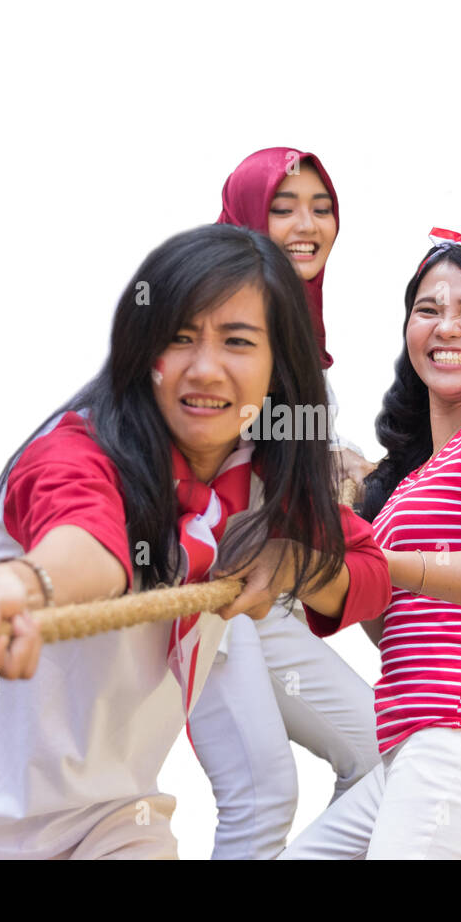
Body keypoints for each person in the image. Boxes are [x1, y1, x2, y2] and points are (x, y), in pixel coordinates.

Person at [0, 224, 391, 859]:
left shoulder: (268, 482)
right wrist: (26, 585)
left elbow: (368, 568)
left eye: (238, 342)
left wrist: (295, 562)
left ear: (280, 367)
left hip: (108, 817)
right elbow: (86, 537)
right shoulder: (78, 448)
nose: (204, 367)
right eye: (179, 338)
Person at [280, 220, 461, 859]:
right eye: (427, 310)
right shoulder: (419, 473)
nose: (445, 327)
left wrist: (383, 562)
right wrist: (326, 563)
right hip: (424, 742)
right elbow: (401, 623)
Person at [186, 147, 381, 859]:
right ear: (244, 215)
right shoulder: (218, 318)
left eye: (321, 207)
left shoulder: (299, 328)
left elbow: (274, 449)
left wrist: (333, 461)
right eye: (283, 206)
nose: (307, 224)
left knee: (384, 753)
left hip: (272, 597)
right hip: (207, 593)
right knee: (263, 796)